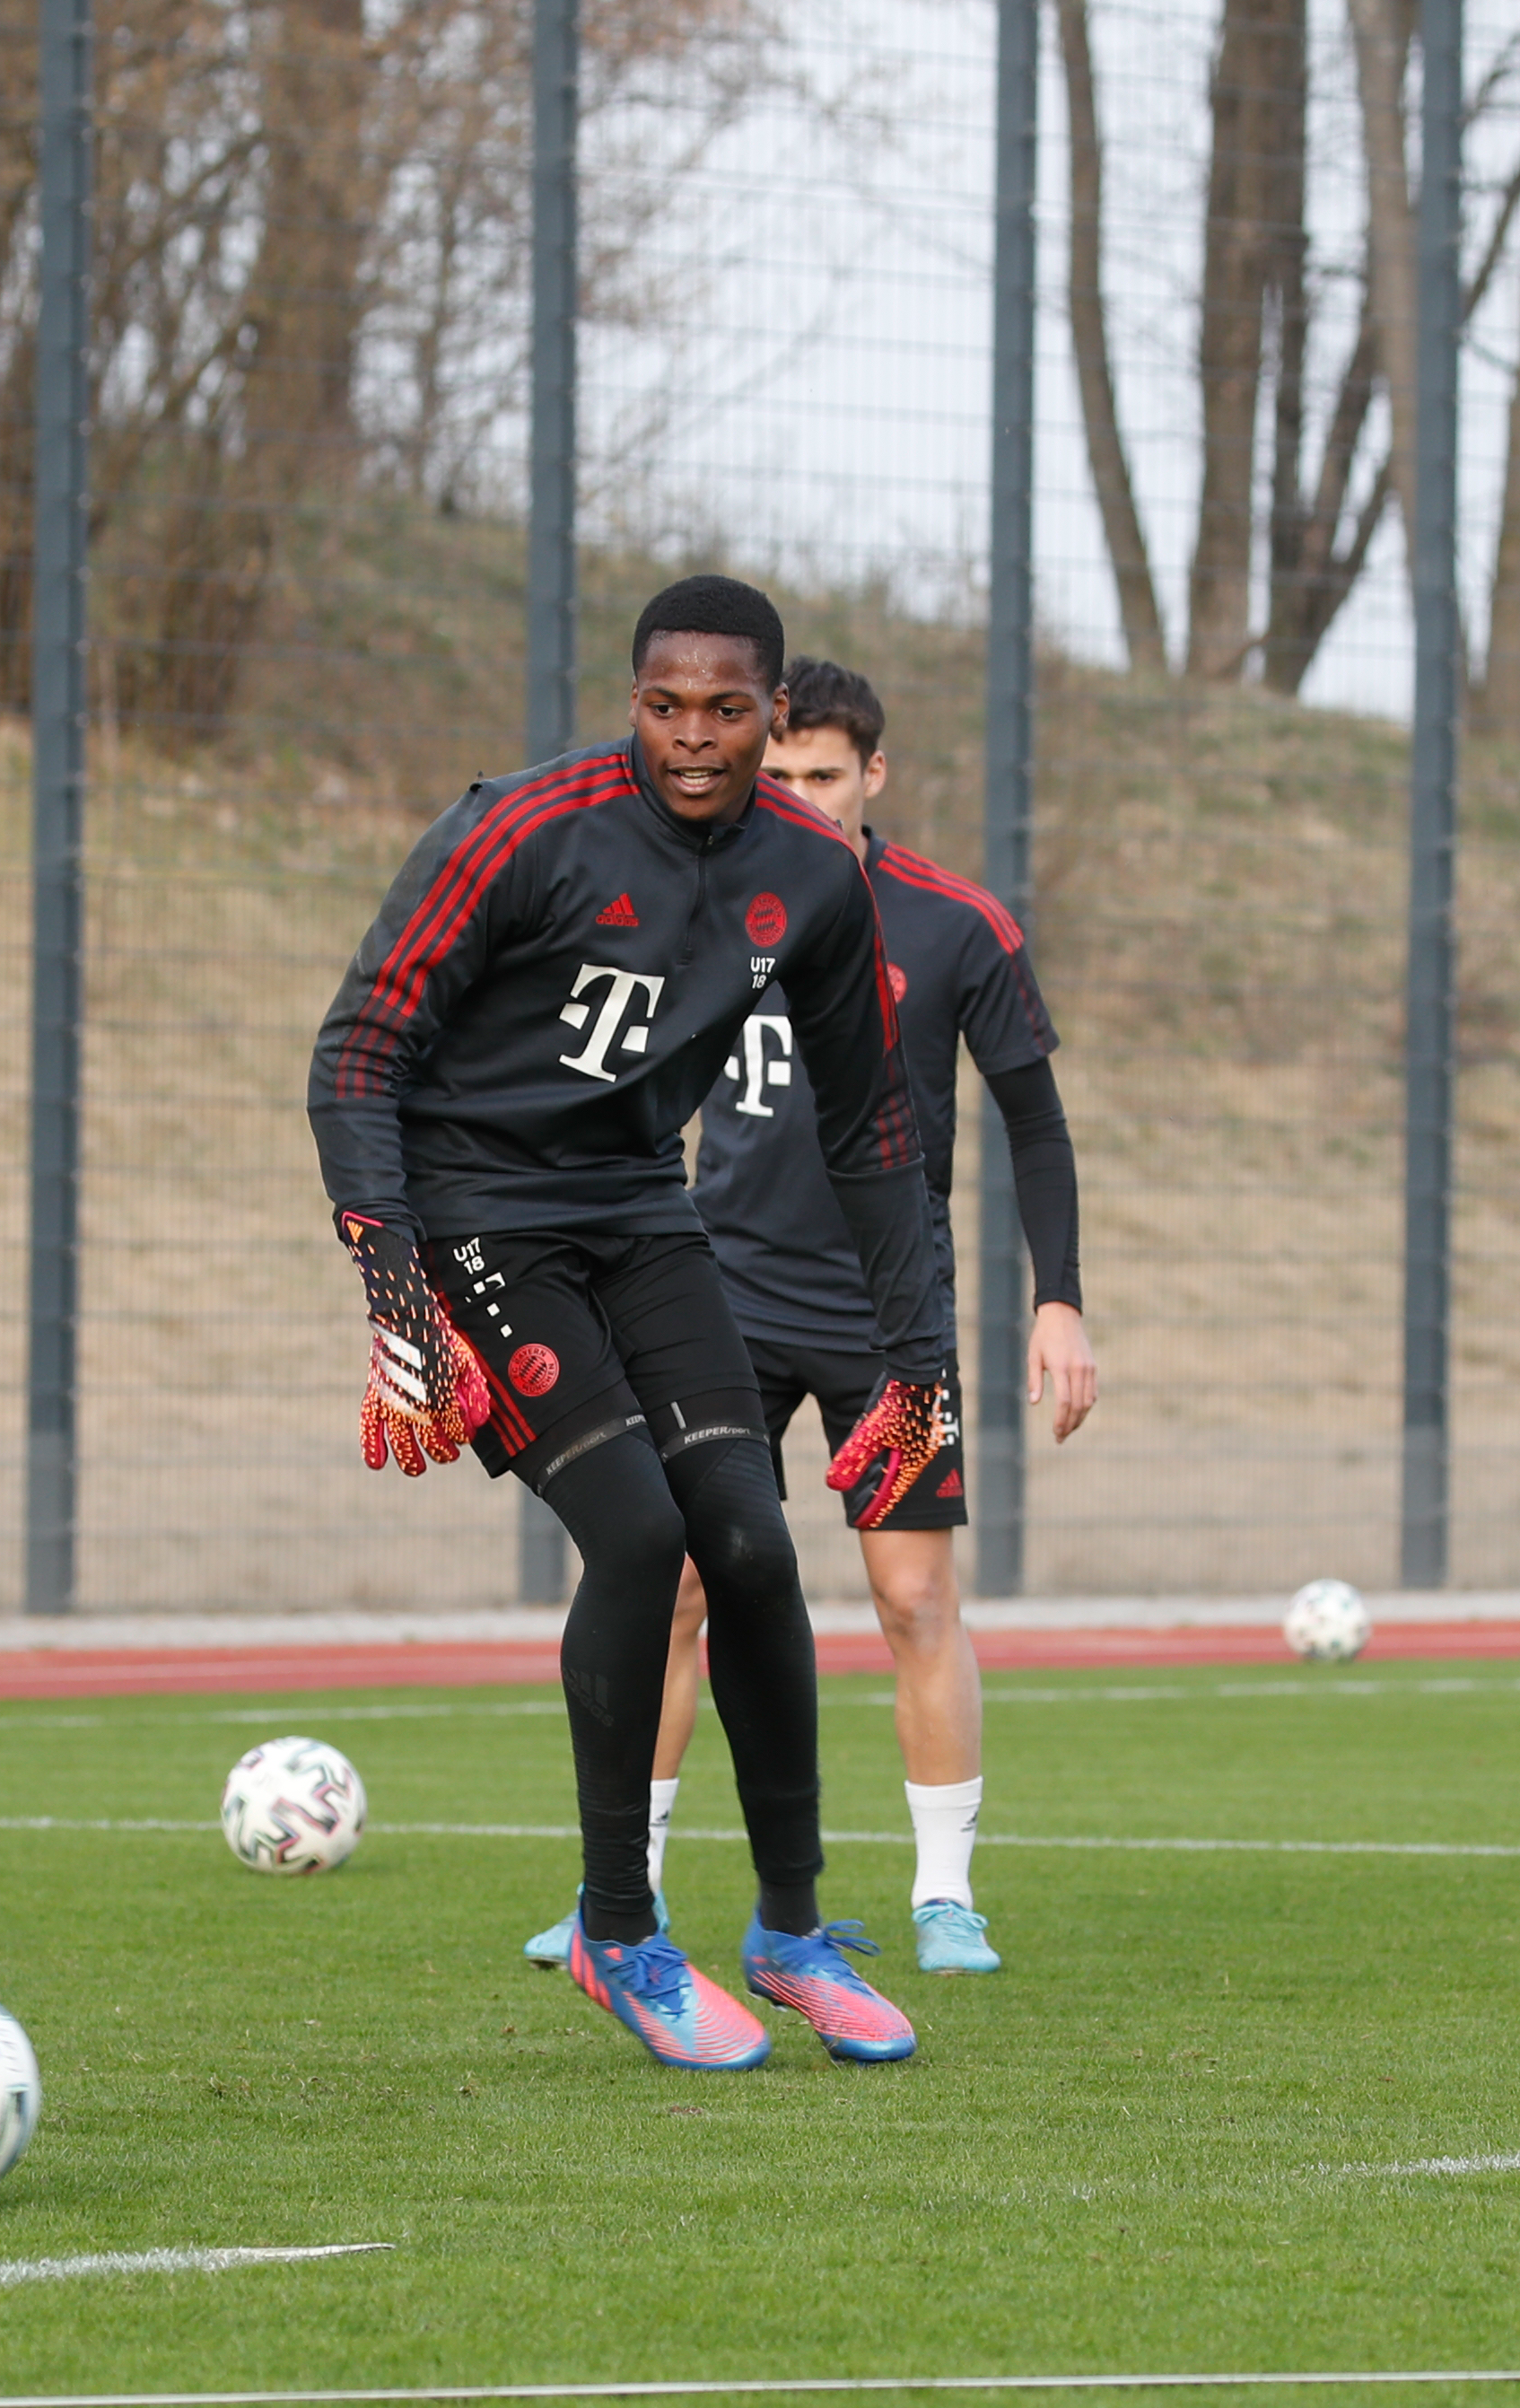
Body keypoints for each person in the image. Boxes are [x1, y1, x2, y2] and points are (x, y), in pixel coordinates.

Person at [311, 576, 948, 2071]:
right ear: (635, 696)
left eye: (730, 709)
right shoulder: (522, 828)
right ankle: (617, 1926)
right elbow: (358, 1050)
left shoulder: (819, 875)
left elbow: (871, 1130)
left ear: (774, 715)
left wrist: (920, 1362)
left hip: (646, 1215)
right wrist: (397, 1293)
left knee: (749, 1534)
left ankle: (791, 1930)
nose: (693, 736)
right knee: (642, 1536)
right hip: (480, 1218)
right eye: (666, 703)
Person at [513, 660, 1099, 1979]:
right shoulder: (700, 902)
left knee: (911, 1597)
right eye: (775, 775)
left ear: (873, 778)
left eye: (819, 776)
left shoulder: (955, 925)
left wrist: (1056, 1295)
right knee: (662, 1586)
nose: (792, 797)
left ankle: (946, 1896)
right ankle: (626, 1891)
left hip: (891, 1313)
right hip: (716, 1294)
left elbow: (1035, 1122)